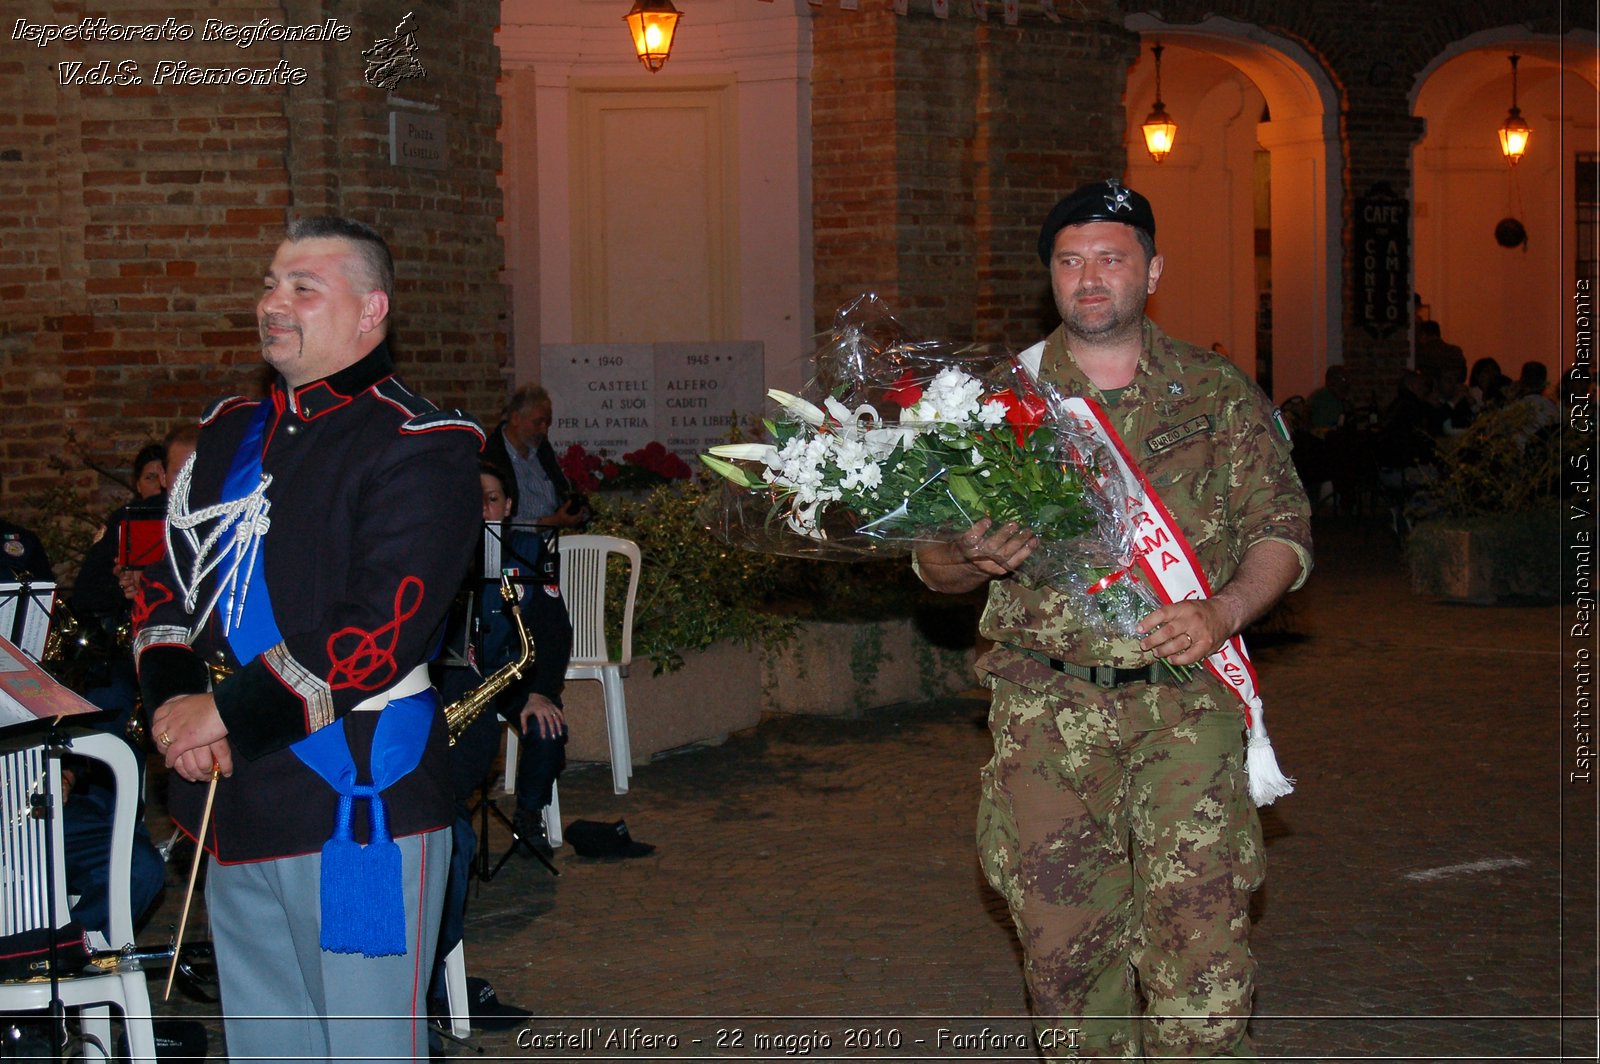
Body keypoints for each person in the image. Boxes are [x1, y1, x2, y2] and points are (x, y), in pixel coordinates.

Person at [915, 179, 1312, 1059]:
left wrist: (1223, 610)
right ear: (1050, 278)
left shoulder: (1215, 391)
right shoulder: (990, 405)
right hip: (1045, 721)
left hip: (1185, 708)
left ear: (1152, 271)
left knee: (1200, 962)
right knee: (1064, 964)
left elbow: (1282, 529)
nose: (1088, 279)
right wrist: (968, 554)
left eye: (1110, 259)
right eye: (1069, 262)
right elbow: (929, 561)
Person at [135, 216, 483, 1062]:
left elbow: (379, 633)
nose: (274, 303)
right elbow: (167, 590)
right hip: (235, 794)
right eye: (269, 283)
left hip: (355, 799)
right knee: (269, 1048)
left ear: (372, 311)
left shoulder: (421, 446)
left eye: (303, 287)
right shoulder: (226, 434)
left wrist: (219, 713)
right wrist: (173, 708)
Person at [481, 384, 589, 530]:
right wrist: (552, 522)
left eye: (548, 422)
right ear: (515, 419)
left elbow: (562, 491)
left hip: (555, 541)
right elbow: (497, 521)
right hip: (514, 546)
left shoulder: (543, 451)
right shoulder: (491, 458)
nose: (544, 429)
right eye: (538, 422)